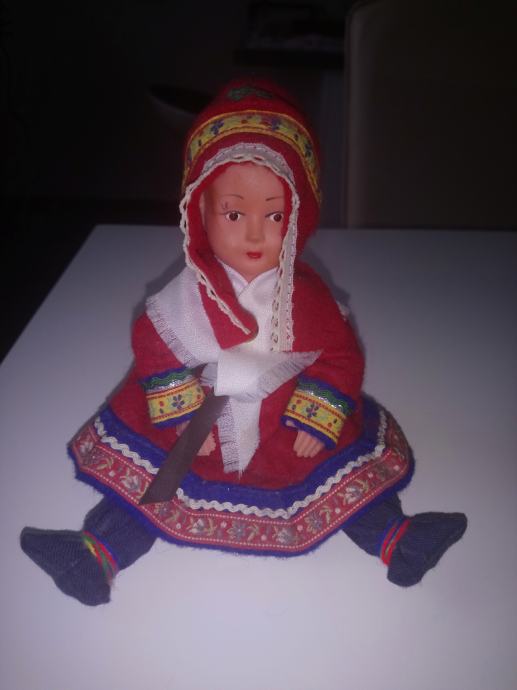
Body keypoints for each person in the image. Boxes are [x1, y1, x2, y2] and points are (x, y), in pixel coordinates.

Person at [21, 79, 467, 606]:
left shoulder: (308, 299)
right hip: (198, 422)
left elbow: (340, 355)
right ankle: (95, 555)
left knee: (338, 478)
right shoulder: (183, 298)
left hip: (285, 419)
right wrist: (182, 411)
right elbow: (155, 347)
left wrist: (315, 415)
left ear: (297, 218)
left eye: (274, 215)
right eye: (234, 214)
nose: (255, 235)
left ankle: (398, 539)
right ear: (200, 213)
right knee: (151, 485)